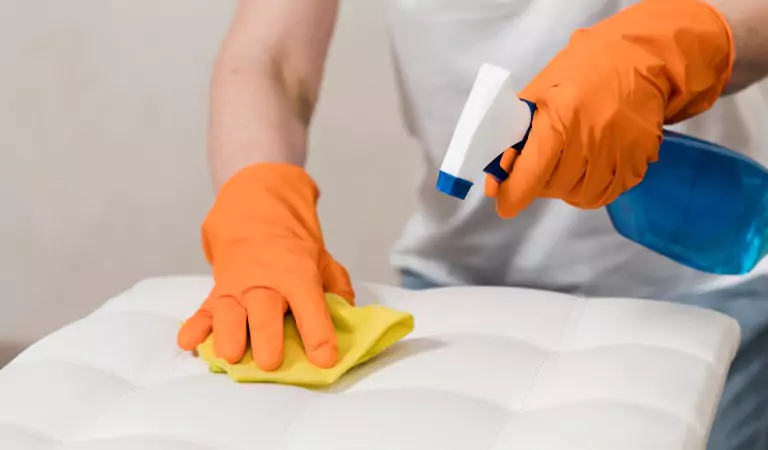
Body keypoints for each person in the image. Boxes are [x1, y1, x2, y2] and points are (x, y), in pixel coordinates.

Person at [177, 0, 768, 448]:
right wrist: (260, 207)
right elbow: (269, 60)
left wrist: (668, 48)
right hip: (461, 299)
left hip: (706, 292)